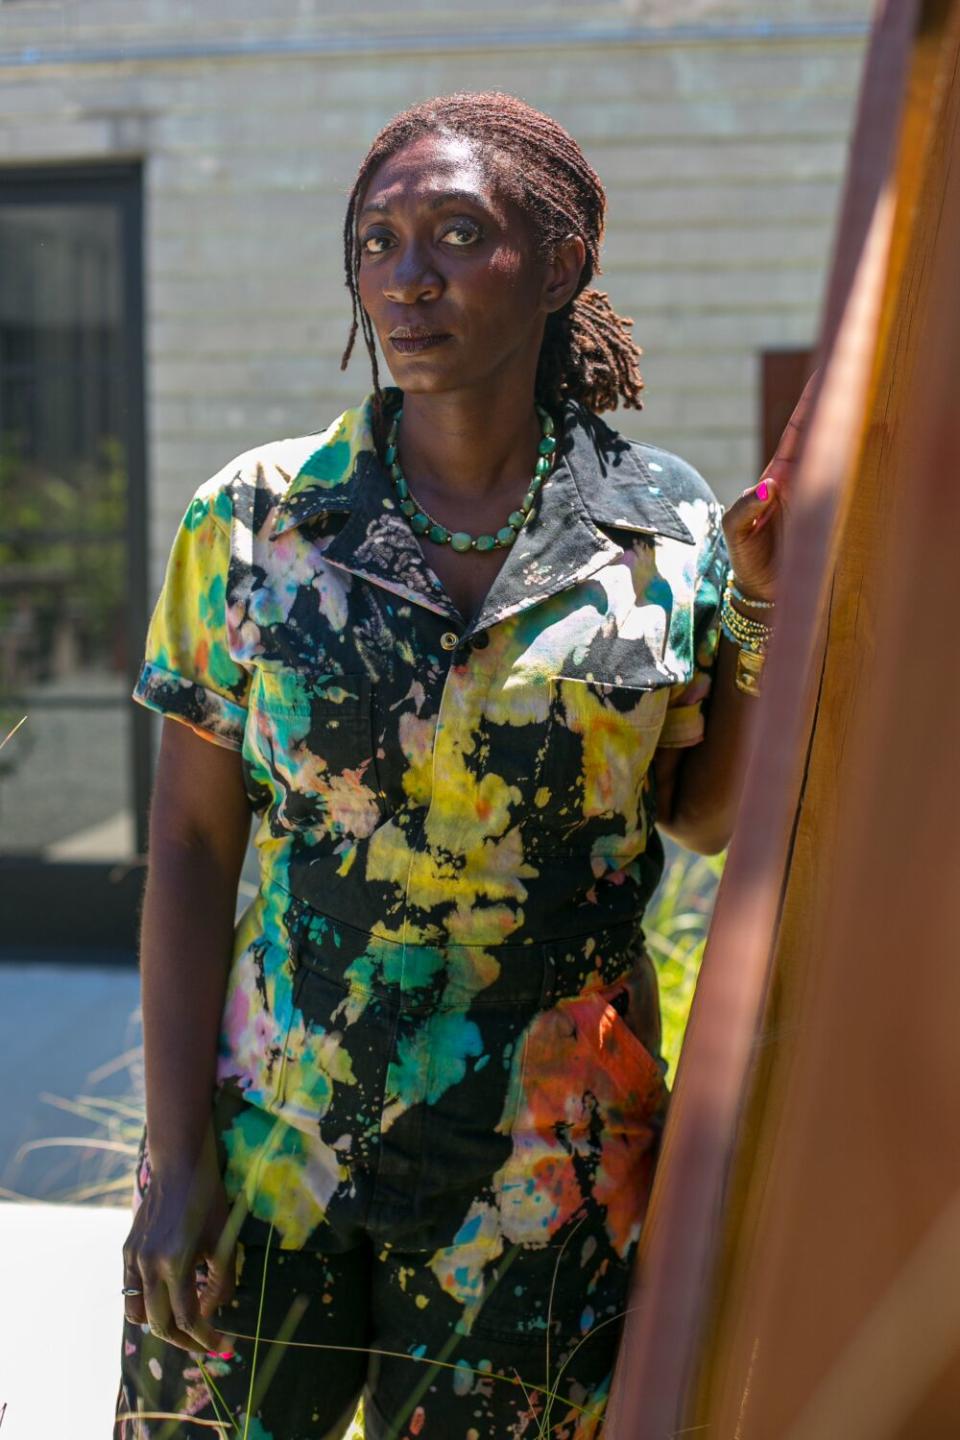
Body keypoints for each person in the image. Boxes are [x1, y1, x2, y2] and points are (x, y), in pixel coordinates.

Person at [115, 92, 801, 1440]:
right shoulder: (255, 518)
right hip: (273, 1143)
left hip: (546, 1175)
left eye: (455, 234)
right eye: (377, 242)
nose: (407, 279)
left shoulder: (663, 535)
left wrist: (769, 618)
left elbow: (707, 817)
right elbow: (193, 849)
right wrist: (177, 1152)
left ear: (558, 265)